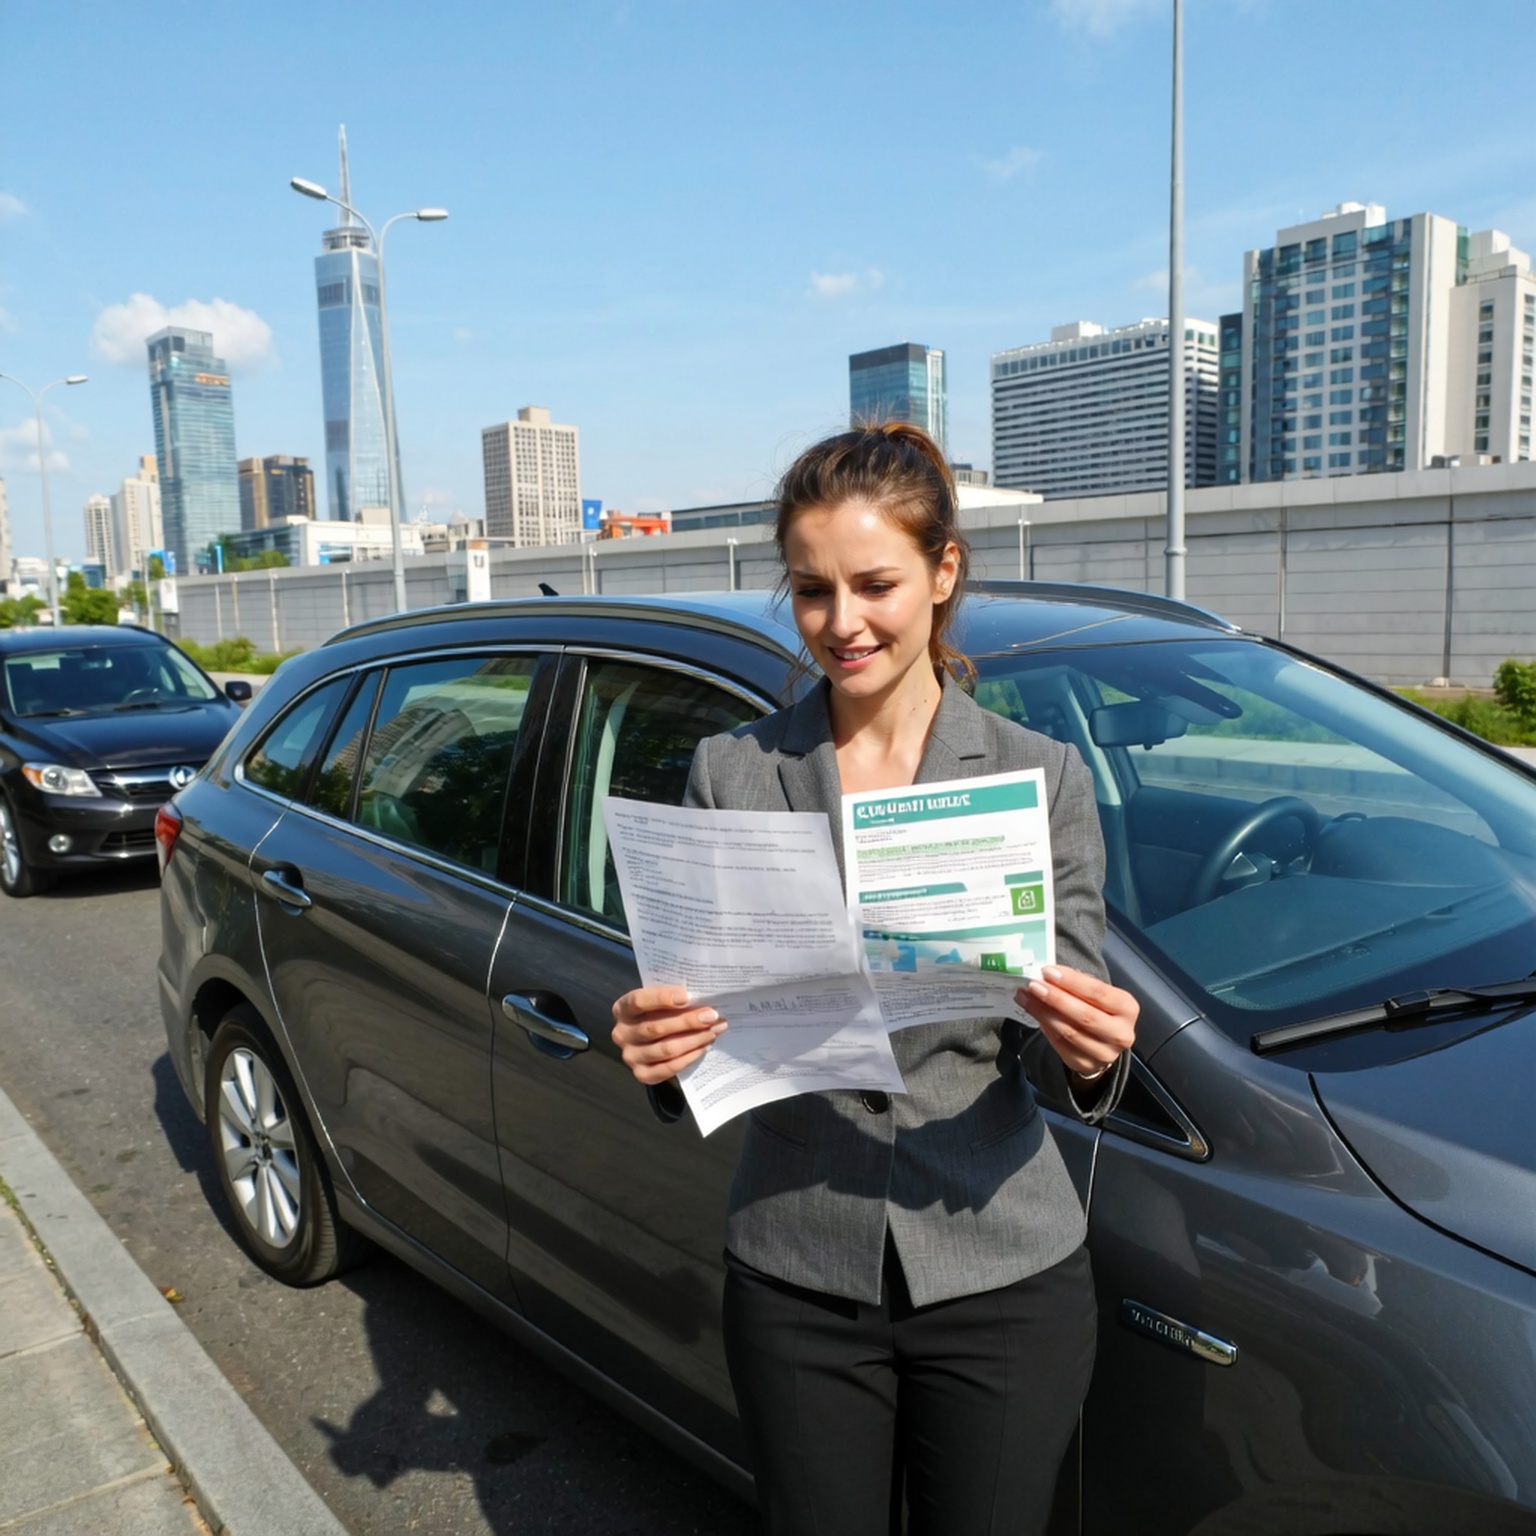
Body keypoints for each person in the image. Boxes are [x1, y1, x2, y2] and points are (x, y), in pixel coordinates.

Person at [611, 423, 1139, 1536]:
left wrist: (1093, 1052)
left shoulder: (1040, 779)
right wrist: (665, 1055)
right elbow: (702, 1020)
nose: (841, 624)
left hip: (1000, 1266)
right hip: (797, 1262)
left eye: (875, 584)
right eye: (812, 591)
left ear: (943, 574)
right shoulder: (734, 768)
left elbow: (1067, 1041)